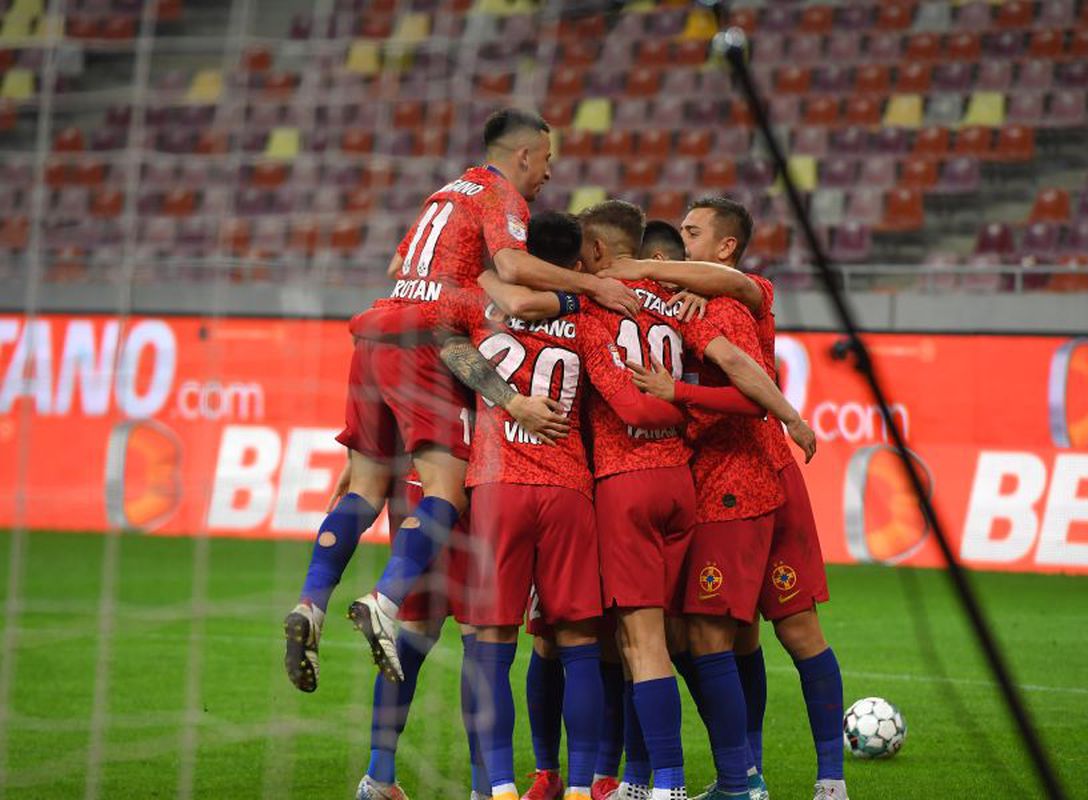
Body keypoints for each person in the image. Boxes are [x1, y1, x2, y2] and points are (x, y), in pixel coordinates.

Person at [284, 108, 639, 696]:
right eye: (547, 160)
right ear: (523, 155)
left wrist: (459, 281)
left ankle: (310, 604)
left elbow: (399, 265)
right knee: (444, 492)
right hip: (426, 343)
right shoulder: (501, 196)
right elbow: (515, 266)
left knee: (366, 489)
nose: (549, 174)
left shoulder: (444, 194)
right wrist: (595, 286)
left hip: (374, 334)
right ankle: (384, 599)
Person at [349, 211, 684, 800]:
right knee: (580, 647)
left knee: (490, 646)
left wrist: (501, 394)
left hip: (496, 489)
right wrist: (683, 410)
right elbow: (626, 406)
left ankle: (497, 787)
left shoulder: (481, 306)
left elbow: (436, 339)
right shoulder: (588, 316)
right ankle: (580, 787)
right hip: (569, 493)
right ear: (579, 263)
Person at [570, 201, 816, 800]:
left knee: (637, 640)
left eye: (693, 230)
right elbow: (733, 361)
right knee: (682, 637)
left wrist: (673, 397)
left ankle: (660, 782)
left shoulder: (593, 305)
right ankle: (714, 775)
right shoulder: (680, 307)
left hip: (632, 481)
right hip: (684, 482)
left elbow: (631, 404)